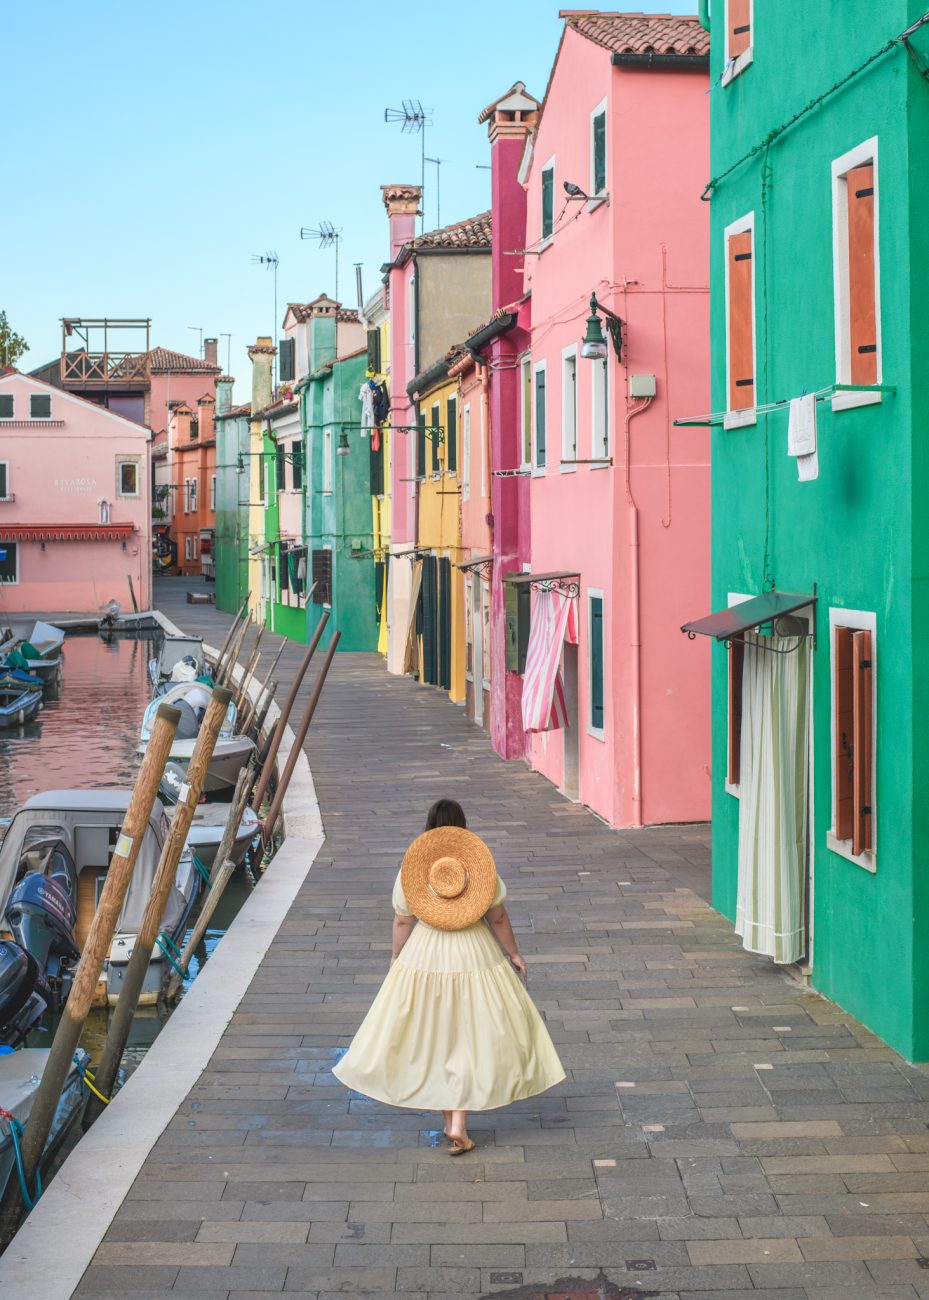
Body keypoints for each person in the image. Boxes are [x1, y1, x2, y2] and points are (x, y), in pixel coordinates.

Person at [332, 798, 565, 1155]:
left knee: (437, 1035)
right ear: (462, 828)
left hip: (426, 955)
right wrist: (514, 954)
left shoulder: (414, 868)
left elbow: (401, 919)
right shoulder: (478, 866)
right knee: (469, 1037)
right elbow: (498, 917)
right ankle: (458, 1122)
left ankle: (450, 1122)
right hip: (476, 953)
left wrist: (396, 956)